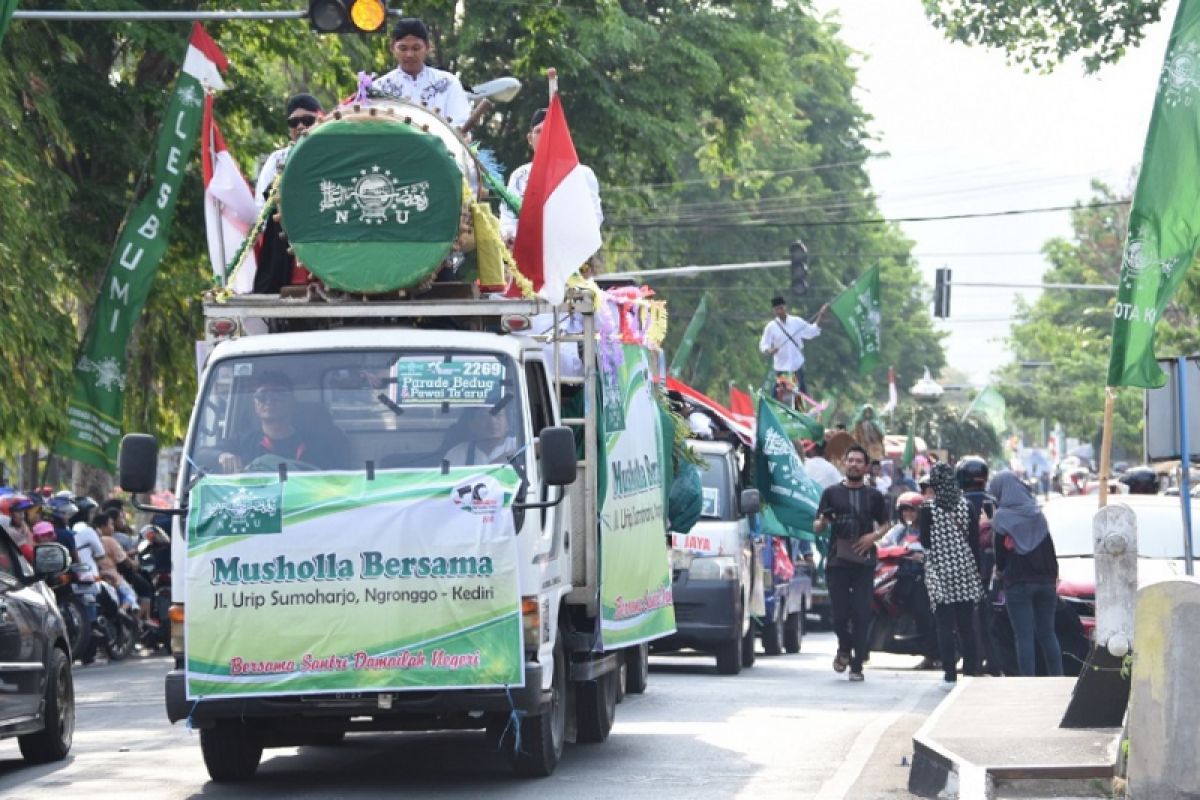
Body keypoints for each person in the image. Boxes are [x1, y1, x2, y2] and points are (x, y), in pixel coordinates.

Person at [813, 445, 889, 682]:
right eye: (850, 460)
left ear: (866, 467)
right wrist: (821, 524)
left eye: (859, 461)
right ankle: (844, 647)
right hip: (838, 559)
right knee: (839, 614)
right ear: (844, 464)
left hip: (864, 561)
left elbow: (887, 523)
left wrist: (872, 537)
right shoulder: (831, 493)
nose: (854, 464)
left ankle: (857, 664)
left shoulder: (874, 496)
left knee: (861, 613)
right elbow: (818, 523)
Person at [989, 471, 1063, 676]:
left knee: (1024, 635)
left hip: (1018, 583)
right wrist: (1053, 576)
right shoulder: (1037, 514)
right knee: (1048, 633)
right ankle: (1058, 676)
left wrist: (1000, 572)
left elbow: (1000, 555)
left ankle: (1027, 681)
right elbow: (1049, 548)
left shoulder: (1002, 517)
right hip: (1046, 581)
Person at [918, 463, 985, 688]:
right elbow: (975, 543)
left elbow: (925, 542)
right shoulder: (967, 506)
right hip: (964, 571)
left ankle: (949, 674)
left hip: (939, 571)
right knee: (967, 625)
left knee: (944, 626)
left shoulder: (928, 509)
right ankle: (971, 671)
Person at [499, 107, 604, 245]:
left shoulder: (581, 174)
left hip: (570, 252)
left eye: (550, 131)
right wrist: (510, 236)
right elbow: (508, 217)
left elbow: (593, 217)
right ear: (530, 139)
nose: (545, 136)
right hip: (528, 252)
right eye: (539, 131)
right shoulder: (520, 176)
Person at [253, 93, 324, 295]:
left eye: (307, 120)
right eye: (294, 122)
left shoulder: (333, 154)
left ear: (320, 120)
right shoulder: (278, 159)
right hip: (285, 238)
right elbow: (261, 205)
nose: (300, 126)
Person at [219, 372, 346, 473]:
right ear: (255, 404)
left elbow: (335, 483)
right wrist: (223, 456)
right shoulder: (242, 442)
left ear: (292, 401)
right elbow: (202, 455)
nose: (269, 401)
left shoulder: (318, 446)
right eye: (262, 396)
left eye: (278, 395)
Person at [375, 18, 470, 127]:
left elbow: (460, 124)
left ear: (427, 47)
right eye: (403, 48)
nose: (409, 54)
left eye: (416, 48)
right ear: (392, 48)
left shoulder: (448, 83)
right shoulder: (378, 88)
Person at [881, 491, 938, 669]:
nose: (908, 514)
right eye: (905, 511)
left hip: (923, 579)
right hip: (898, 578)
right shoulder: (898, 530)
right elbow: (883, 544)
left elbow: (936, 550)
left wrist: (922, 556)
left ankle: (931, 655)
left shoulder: (929, 530)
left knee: (924, 615)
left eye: (912, 511)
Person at [759, 296, 829, 396]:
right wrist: (769, 350)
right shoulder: (771, 327)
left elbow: (812, 331)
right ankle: (775, 409)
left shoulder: (796, 322)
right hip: (782, 367)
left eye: (781, 308)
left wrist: (821, 315)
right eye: (777, 309)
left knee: (800, 396)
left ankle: (801, 410)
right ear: (774, 311)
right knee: (777, 396)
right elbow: (763, 344)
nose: (779, 311)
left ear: (785, 307)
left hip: (797, 365)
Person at [444, 407, 520, 467]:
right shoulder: (455, 454)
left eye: (498, 415)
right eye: (484, 416)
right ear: (472, 425)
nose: (492, 421)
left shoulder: (520, 445)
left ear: (508, 424)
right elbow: (443, 479)